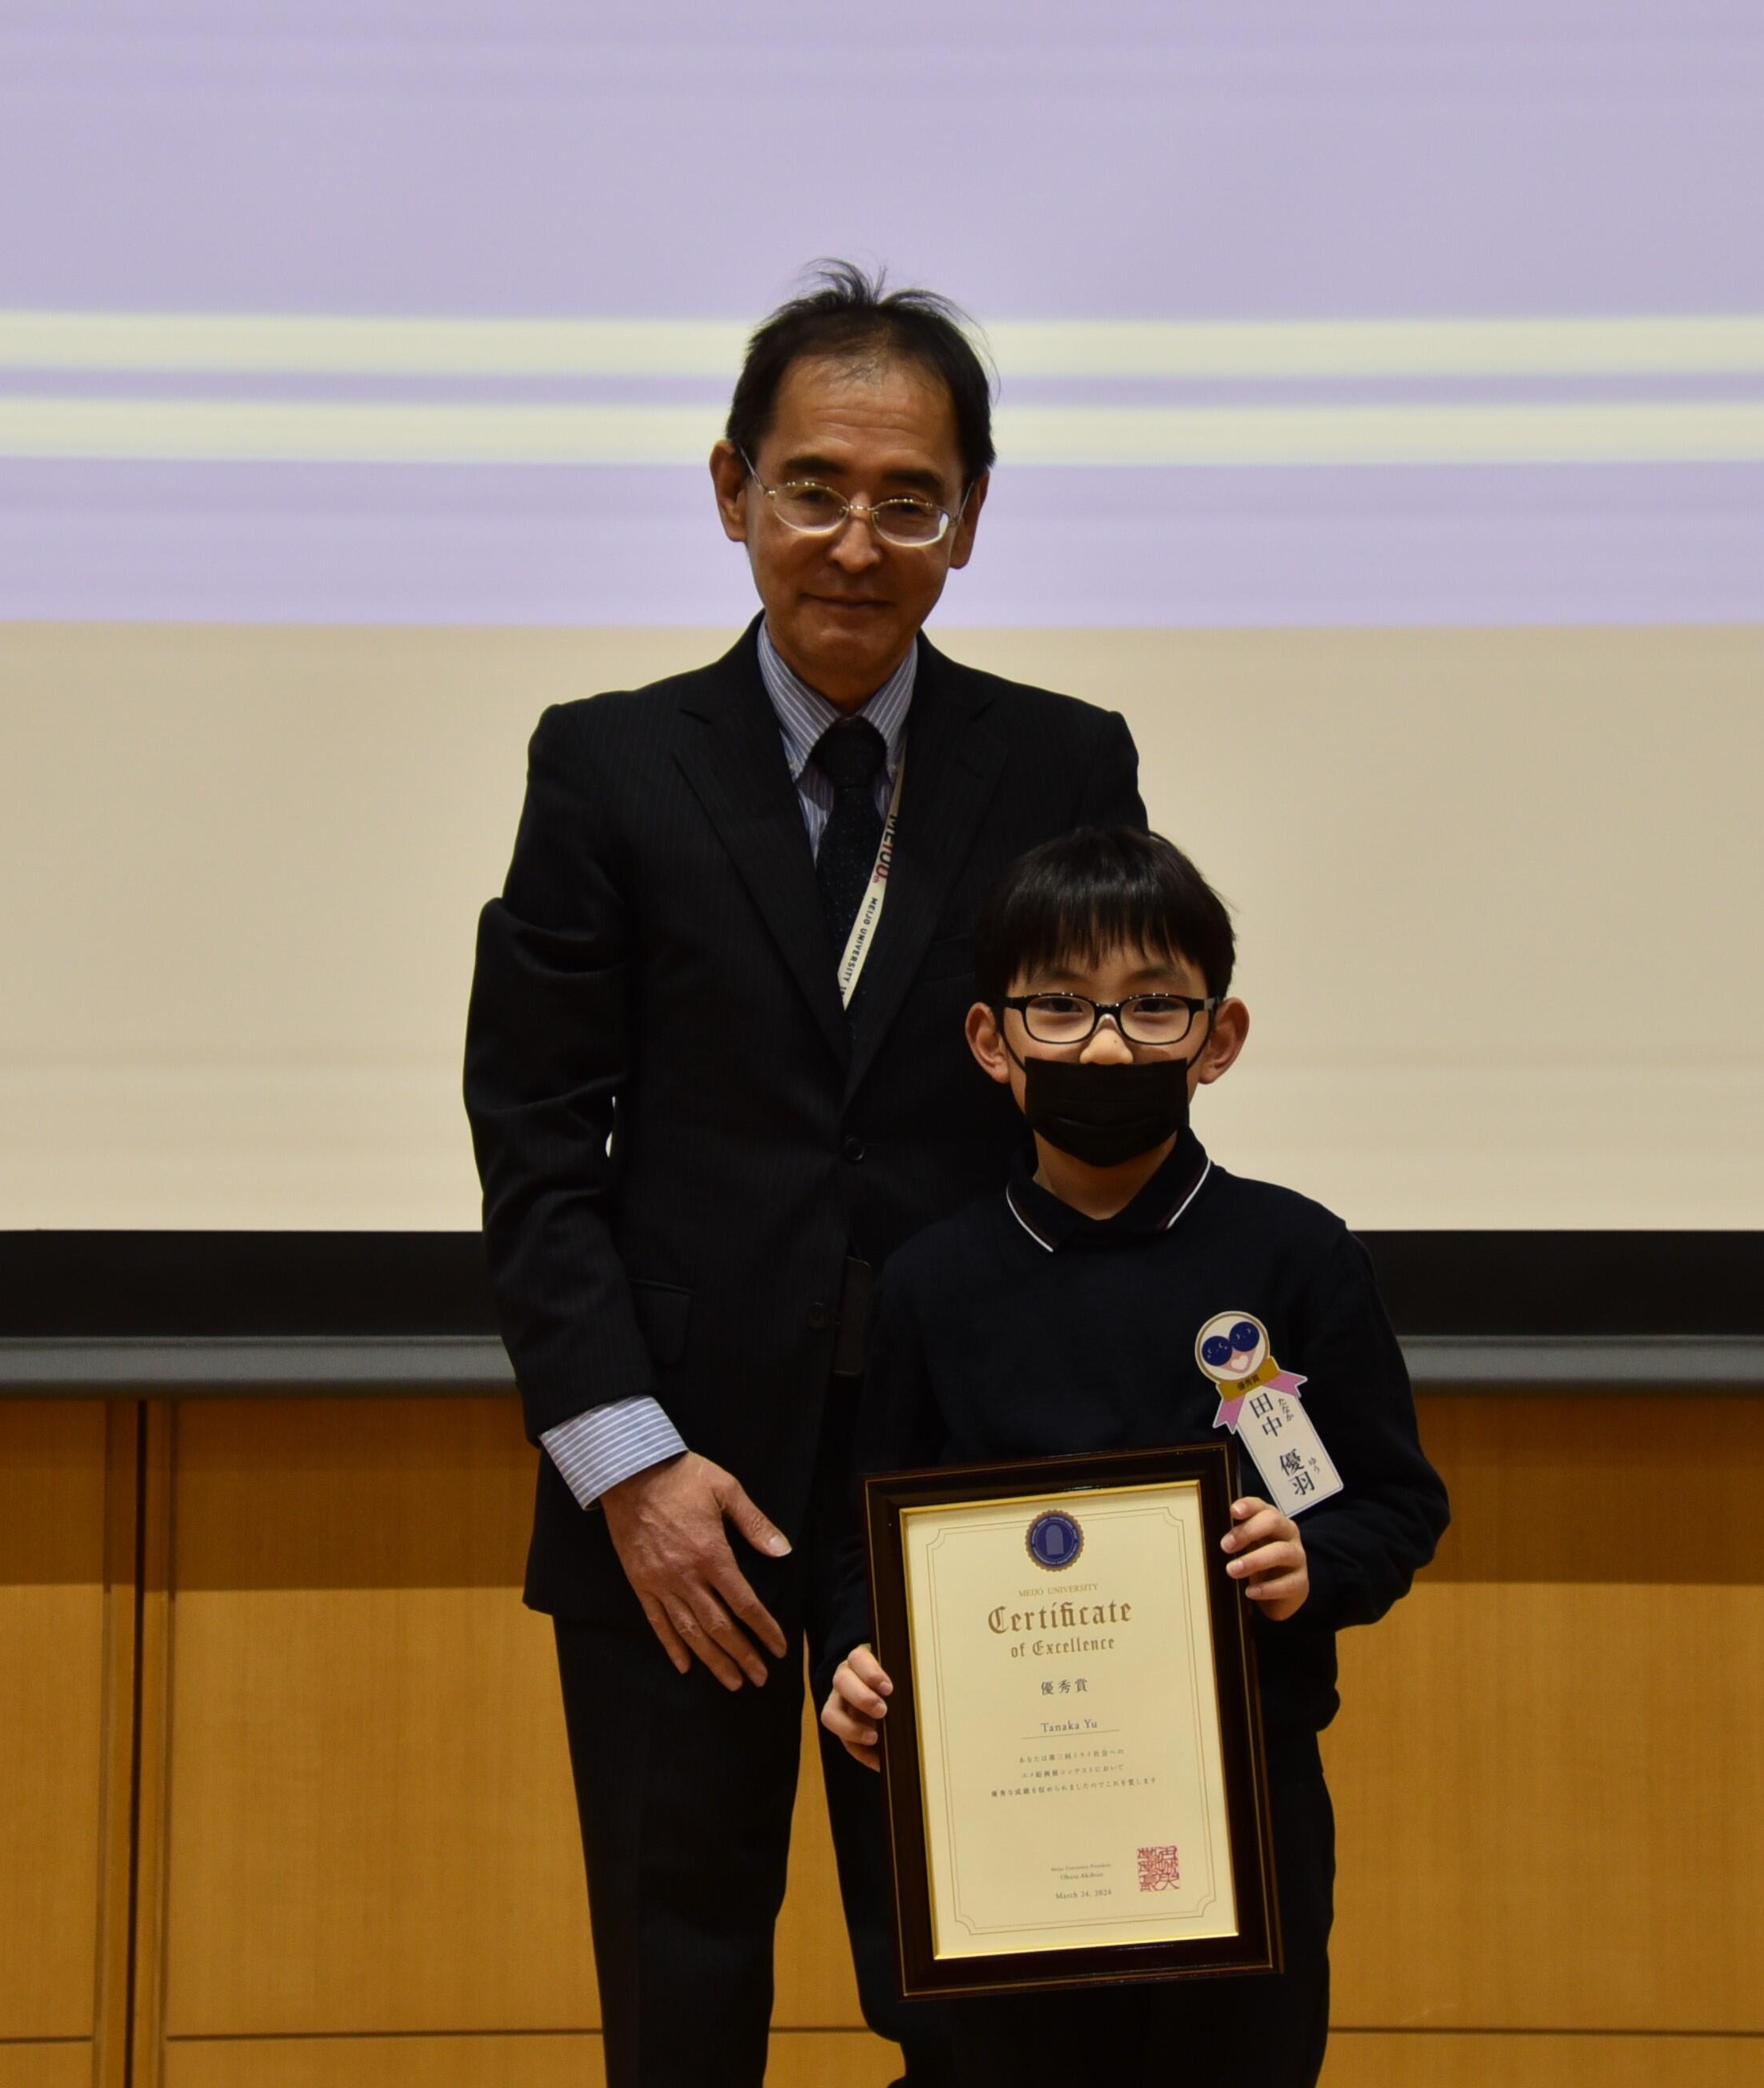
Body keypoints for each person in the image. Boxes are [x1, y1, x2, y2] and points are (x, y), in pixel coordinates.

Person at [463, 263, 1147, 2088]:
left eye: (909, 499)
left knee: (982, 1990)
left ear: (971, 520)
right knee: (681, 1991)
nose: (858, 540)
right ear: (730, 492)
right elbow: (536, 1145)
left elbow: (1105, 1109)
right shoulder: (606, 767)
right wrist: (627, 1463)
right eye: (814, 489)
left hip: (971, 1486)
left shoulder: (1067, 764)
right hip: (677, 1493)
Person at [819, 827, 1449, 2088]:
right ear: (993, 1041)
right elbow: (857, 1533)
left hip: (1239, 1825)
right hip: (998, 1831)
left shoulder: (1295, 1256)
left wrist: (1305, 1562)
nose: (1107, 1046)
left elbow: (1393, 1504)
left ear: (1219, 1038)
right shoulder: (933, 1283)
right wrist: (854, 1657)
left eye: (1154, 1008)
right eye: (1062, 1008)